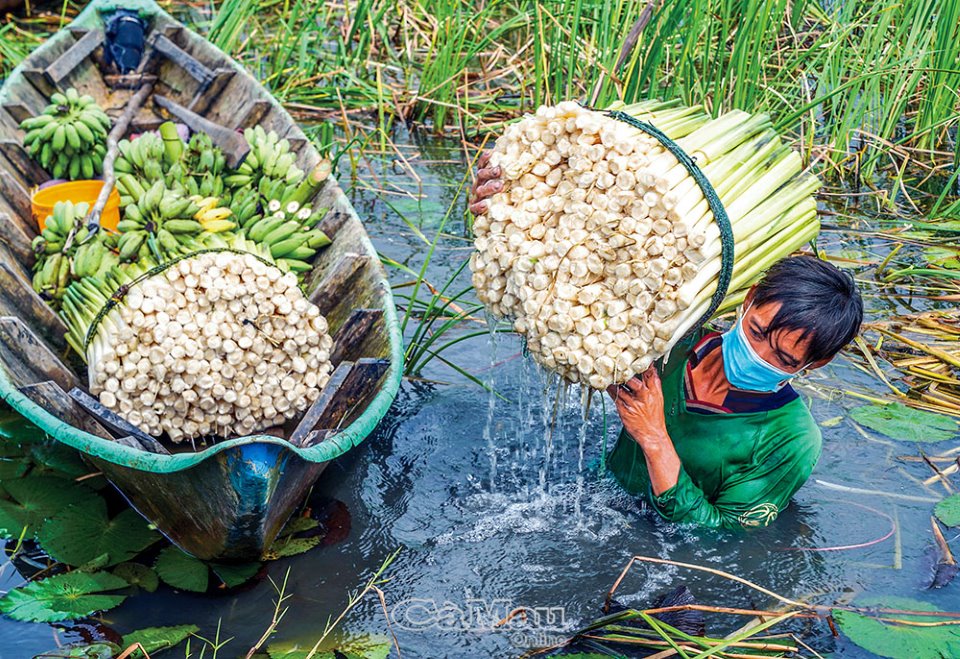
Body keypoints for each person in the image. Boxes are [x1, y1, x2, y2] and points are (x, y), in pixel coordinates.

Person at [469, 156, 864, 530]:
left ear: (816, 363)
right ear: (749, 299)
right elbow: (564, 313)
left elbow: (722, 534)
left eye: (781, 357)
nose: (755, 355)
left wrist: (654, 436)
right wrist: (508, 208)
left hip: (661, 546)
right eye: (757, 333)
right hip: (597, 495)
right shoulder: (674, 339)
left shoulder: (791, 441)